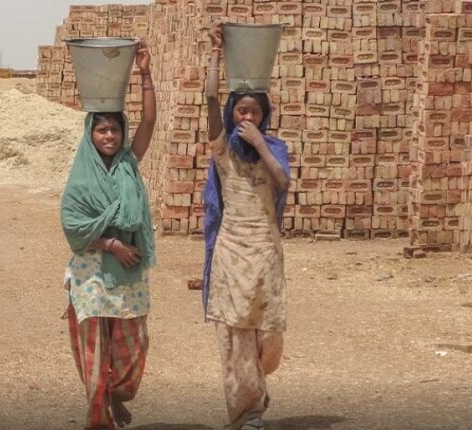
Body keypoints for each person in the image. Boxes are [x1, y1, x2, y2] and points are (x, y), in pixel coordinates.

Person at [60, 40, 156, 430]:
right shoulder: (81, 176)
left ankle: (118, 395)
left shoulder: (129, 164)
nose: (110, 137)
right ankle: (98, 418)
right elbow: (72, 223)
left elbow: (149, 123)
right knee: (95, 355)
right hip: (91, 276)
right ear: (91, 134)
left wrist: (146, 75)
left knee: (132, 354)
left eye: (115, 129)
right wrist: (111, 243)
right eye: (102, 130)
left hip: (128, 277)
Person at [203, 22, 291, 430]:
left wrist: (258, 142)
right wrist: (216, 56)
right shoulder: (222, 151)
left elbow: (283, 180)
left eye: (254, 111)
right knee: (235, 336)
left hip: (266, 251)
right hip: (232, 252)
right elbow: (208, 96)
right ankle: (247, 412)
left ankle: (257, 387)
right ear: (231, 113)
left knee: (269, 337)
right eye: (241, 110)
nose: (246, 116)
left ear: (264, 115)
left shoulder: (273, 149)